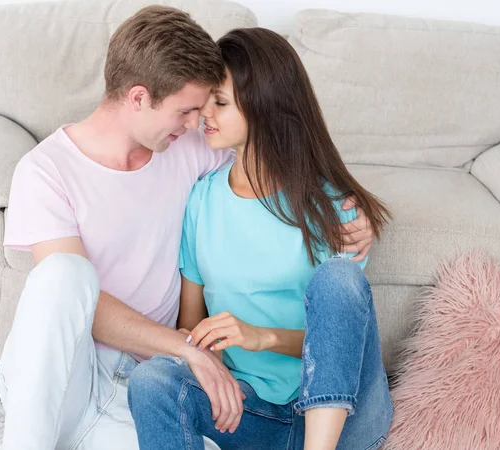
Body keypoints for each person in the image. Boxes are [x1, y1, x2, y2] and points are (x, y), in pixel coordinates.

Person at [0, 7, 376, 450]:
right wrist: (188, 349)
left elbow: (272, 153)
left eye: (206, 108)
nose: (197, 123)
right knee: (64, 273)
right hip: (71, 376)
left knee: (182, 409)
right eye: (187, 111)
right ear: (139, 97)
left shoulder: (188, 148)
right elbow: (79, 305)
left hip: (143, 383)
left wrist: (351, 211)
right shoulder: (45, 170)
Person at [127, 28, 394, 450]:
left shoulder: (330, 206)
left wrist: (261, 336)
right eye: (203, 102)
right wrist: (212, 363)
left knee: (339, 279)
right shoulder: (202, 199)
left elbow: (340, 344)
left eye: (220, 102)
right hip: (253, 414)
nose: (202, 117)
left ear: (263, 106)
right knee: (152, 380)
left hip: (343, 423)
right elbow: (191, 323)